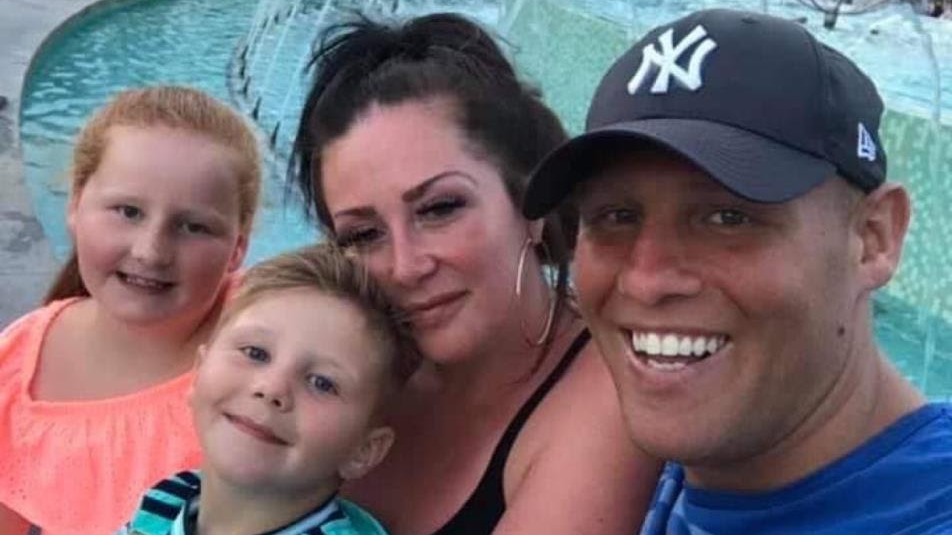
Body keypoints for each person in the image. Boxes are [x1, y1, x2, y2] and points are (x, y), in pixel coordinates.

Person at [522, 8, 952, 534]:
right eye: (616, 216)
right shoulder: (708, 451)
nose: (646, 281)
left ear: (873, 237)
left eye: (728, 218)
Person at [290, 12, 661, 535]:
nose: (406, 266)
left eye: (440, 208)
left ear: (531, 200)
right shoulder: (338, 370)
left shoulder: (610, 396)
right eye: (364, 234)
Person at [0, 86, 260, 535]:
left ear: (238, 247)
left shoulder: (273, 348)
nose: (151, 251)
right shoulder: (17, 368)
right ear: (75, 205)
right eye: (128, 211)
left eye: (193, 226)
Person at [117, 244, 422, 535]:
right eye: (255, 353)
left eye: (322, 383)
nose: (272, 388)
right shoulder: (167, 500)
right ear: (198, 375)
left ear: (364, 450)